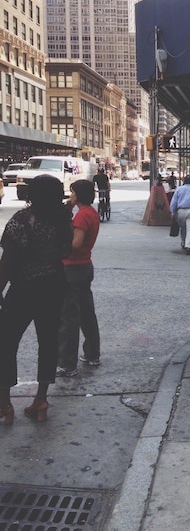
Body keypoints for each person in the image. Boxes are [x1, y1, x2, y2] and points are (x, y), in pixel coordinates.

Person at [0, 175, 73, 424]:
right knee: (48, 342)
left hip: (23, 289)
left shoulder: (21, 220)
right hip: (53, 287)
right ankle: (41, 399)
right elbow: (66, 251)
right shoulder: (63, 220)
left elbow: (8, 260)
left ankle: (4, 404)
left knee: (6, 343)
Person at [57, 179, 101, 377]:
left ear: (79, 195)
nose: (70, 196)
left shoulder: (82, 216)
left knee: (69, 316)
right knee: (86, 312)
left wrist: (61, 250)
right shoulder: (91, 212)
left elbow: (76, 243)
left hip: (72, 267)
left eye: (72, 193)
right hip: (85, 265)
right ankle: (92, 353)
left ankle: (67, 363)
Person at [170, 174, 190, 255]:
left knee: (183, 228)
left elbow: (174, 202)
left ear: (183, 181)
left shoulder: (179, 189)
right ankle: (188, 246)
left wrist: (172, 212)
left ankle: (184, 243)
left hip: (181, 211)